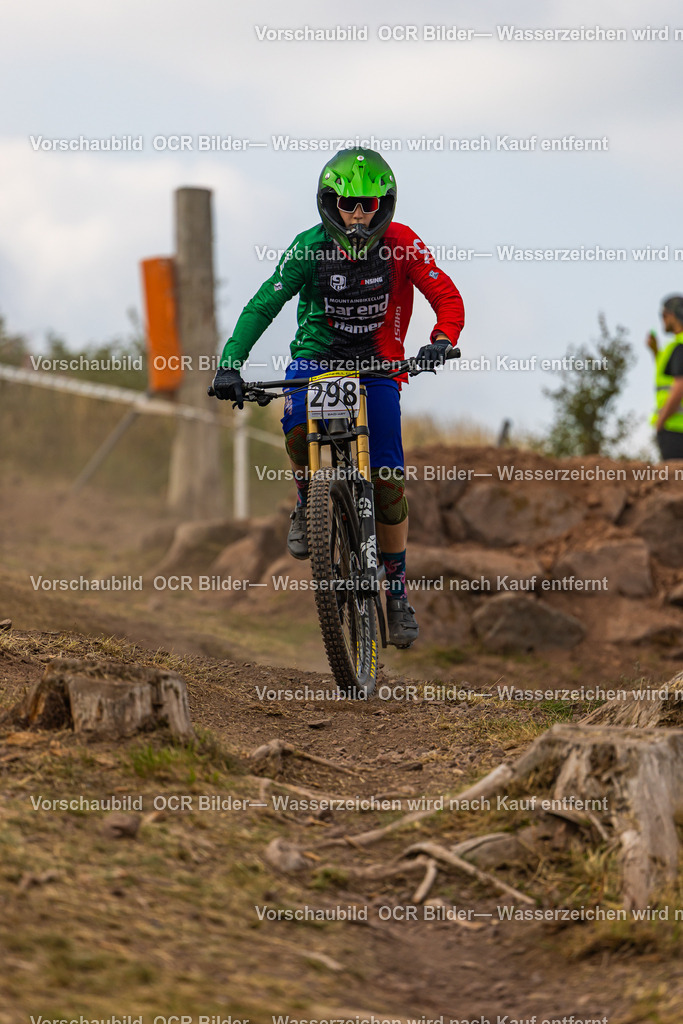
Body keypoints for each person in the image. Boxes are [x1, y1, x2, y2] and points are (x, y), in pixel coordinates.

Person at [212, 147, 465, 646]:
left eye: (369, 204)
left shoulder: (401, 243)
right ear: (329, 203)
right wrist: (229, 365)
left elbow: (446, 295)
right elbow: (264, 304)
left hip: (380, 365)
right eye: (347, 203)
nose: (358, 214)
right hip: (316, 359)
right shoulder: (308, 248)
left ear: (385, 204)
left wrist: (441, 339)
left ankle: (395, 590)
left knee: (389, 477)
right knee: (296, 424)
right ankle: (310, 500)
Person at [648, 294, 683, 459]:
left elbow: (679, 386)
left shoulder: (679, 347)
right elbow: (669, 378)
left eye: (663, 315)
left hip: (676, 430)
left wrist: (661, 422)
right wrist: (655, 351)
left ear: (672, 315)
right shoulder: (677, 347)